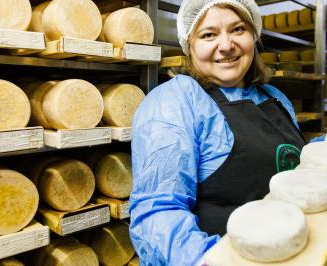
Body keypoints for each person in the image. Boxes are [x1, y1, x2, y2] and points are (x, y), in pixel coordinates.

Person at [128, 0, 308, 264]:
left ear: (253, 37)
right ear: (190, 45)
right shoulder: (173, 103)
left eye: (237, 29)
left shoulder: (275, 97)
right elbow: (158, 212)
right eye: (208, 35)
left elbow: (292, 165)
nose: (226, 45)